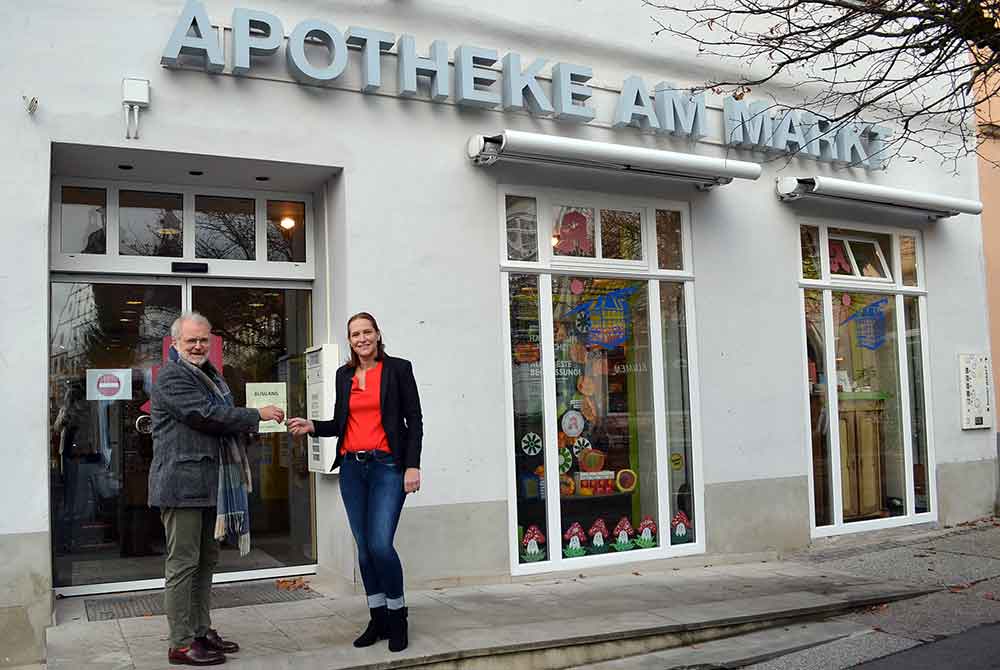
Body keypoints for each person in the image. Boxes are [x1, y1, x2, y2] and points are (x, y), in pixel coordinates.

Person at [149, 312, 284, 666]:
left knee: (205, 561)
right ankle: (179, 643)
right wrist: (256, 414)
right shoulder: (172, 377)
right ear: (175, 343)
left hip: (210, 485)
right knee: (182, 565)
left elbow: (216, 415)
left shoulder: (210, 375)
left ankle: (199, 629)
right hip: (181, 485)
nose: (197, 346)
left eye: (203, 340)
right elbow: (205, 416)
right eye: (190, 340)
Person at [288, 312, 423, 653]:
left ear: (377, 334)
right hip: (352, 468)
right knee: (364, 550)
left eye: (367, 332)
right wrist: (313, 426)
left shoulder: (398, 369)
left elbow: (415, 421)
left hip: (388, 467)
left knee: (380, 545)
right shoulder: (343, 374)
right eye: (355, 334)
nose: (361, 338)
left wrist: (412, 466)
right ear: (349, 341)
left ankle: (398, 616)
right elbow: (340, 422)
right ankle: (377, 617)